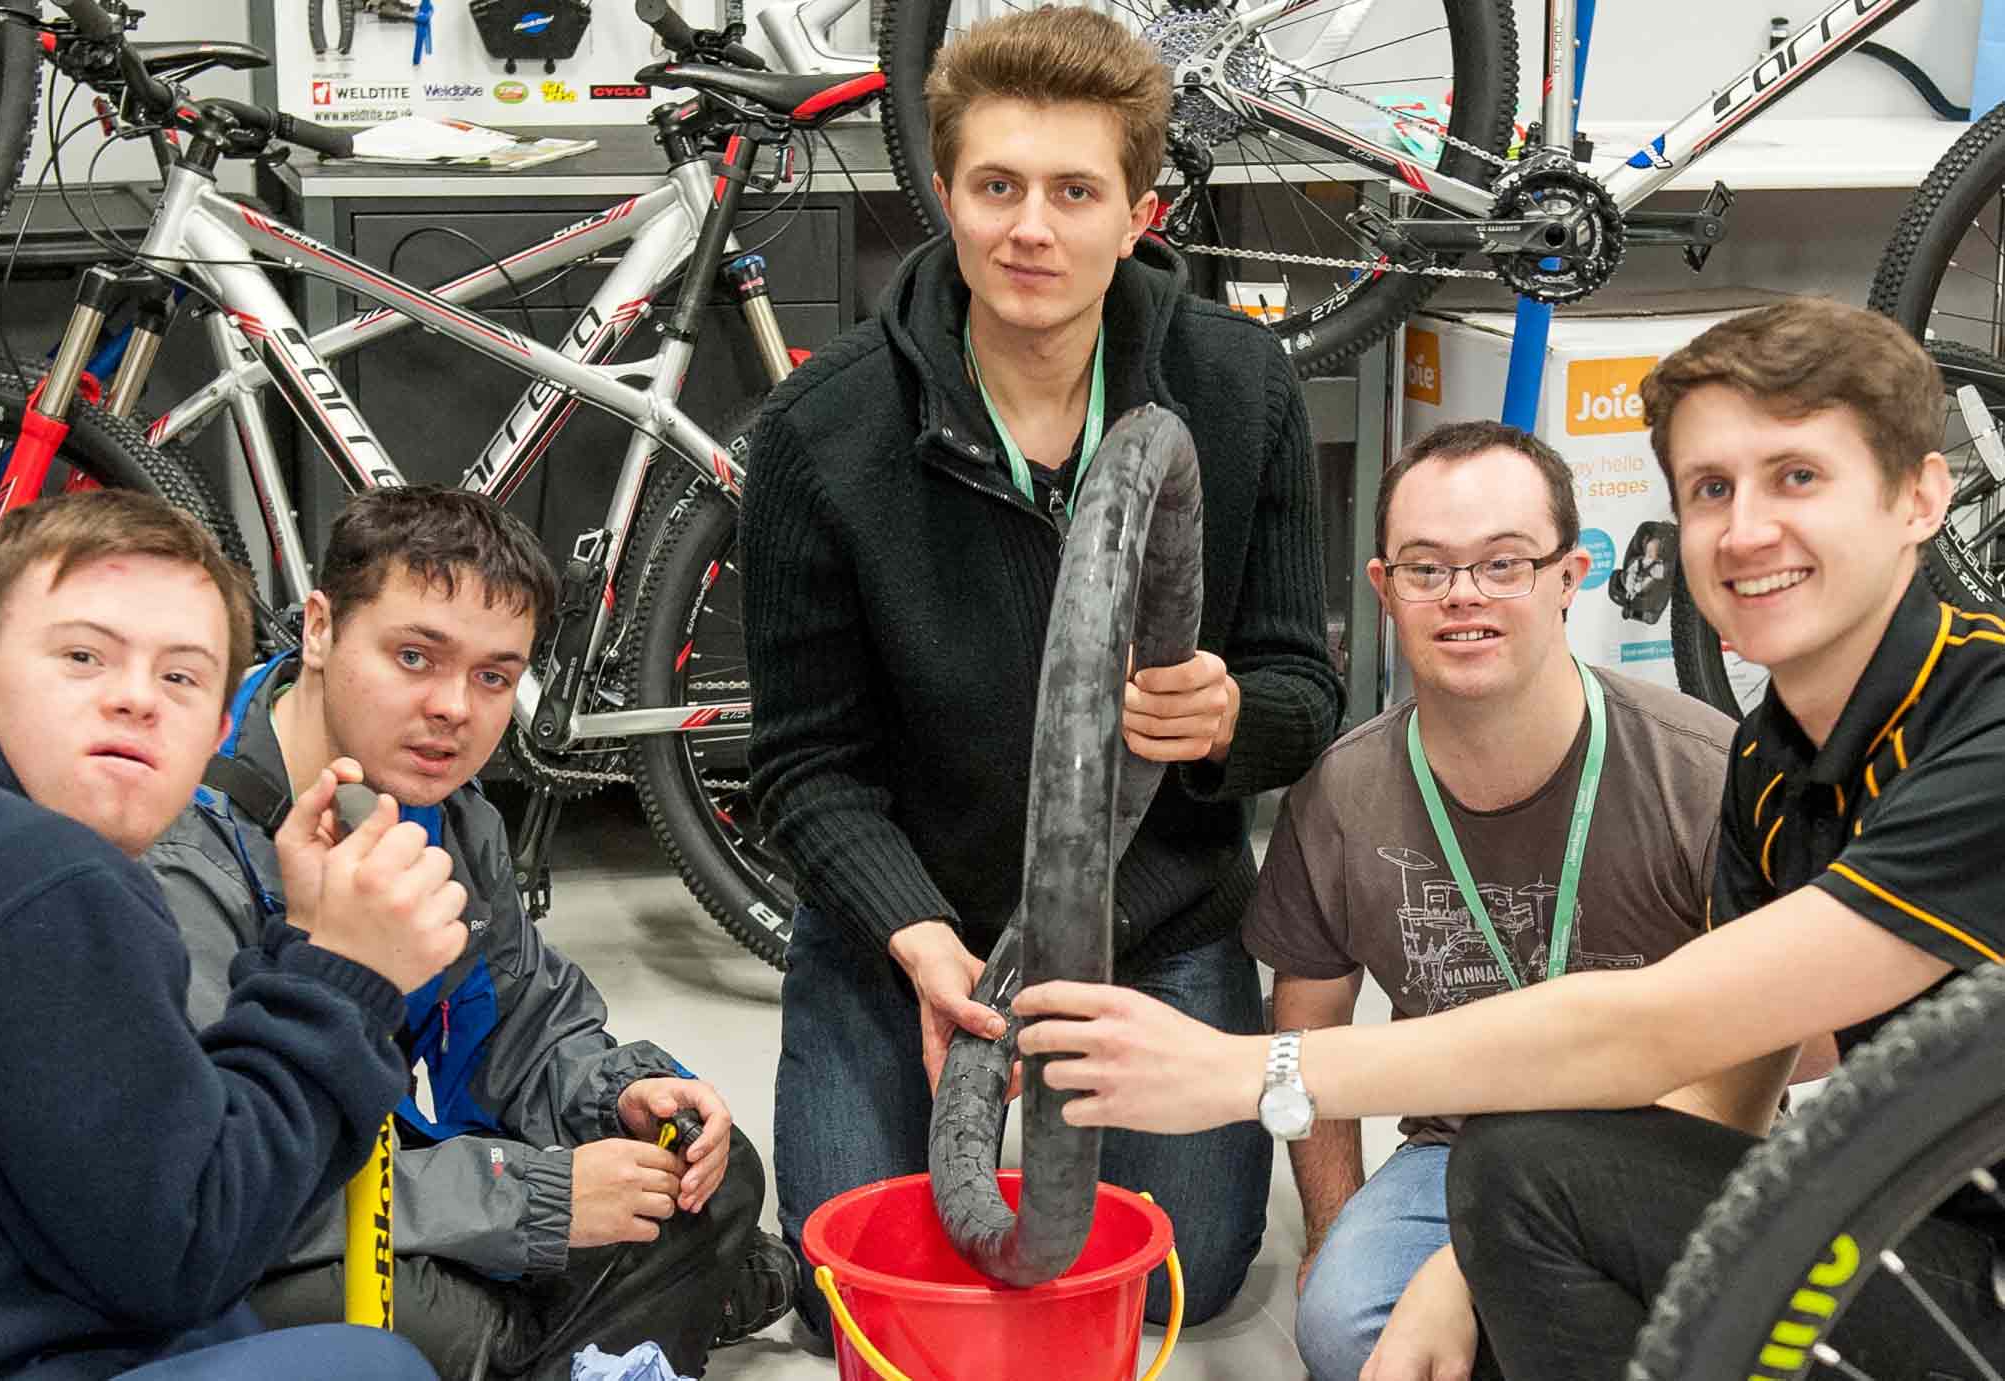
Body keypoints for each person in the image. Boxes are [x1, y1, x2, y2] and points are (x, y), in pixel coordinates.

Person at [1011, 296, 2005, 1377]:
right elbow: (1736, 1065)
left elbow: (1661, 1026)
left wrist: (1248, 1070)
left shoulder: (1978, 720)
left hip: (1963, 1258)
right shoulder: (1773, 761)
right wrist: (1458, 1259)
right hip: (1924, 1205)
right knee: (1500, 1190)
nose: (1747, 528)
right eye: (1712, 489)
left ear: (1919, 496)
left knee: (1520, 1174)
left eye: (1797, 477)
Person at [741, 4, 1344, 1335]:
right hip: (908, 930)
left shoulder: (1238, 389)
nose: (1030, 228)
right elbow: (798, 766)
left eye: (1074, 190)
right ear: (942, 196)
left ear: (1136, 210)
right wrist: (917, 945)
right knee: (860, 1284)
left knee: (1175, 1273)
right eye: (995, 186)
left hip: (1150, 923)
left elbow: (1305, 692)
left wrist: (1231, 714)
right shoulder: (818, 430)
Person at [146, 487, 791, 1380]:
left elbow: (520, 1025)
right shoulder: (182, 852)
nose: (455, 707)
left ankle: (643, 1304)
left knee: (708, 1179)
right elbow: (209, 1196)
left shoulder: (441, 809)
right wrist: (530, 1198)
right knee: (436, 1327)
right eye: (415, 655)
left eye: (494, 675)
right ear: (323, 630)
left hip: (382, 1164)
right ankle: (658, 1307)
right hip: (236, 1229)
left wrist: (622, 1095)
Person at [1243, 420, 1756, 1381]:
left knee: (1700, 1334)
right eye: (1426, 568)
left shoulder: (1703, 773)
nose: (1463, 595)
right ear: (1382, 588)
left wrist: (1494, 1265)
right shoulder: (1341, 795)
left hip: (1662, 1141)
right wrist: (1331, 1229)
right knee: (1350, 1326)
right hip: (1458, 1151)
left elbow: (1766, 1053)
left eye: (1504, 563)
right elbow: (1308, 1029)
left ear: (1571, 575)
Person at [0, 489, 450, 1380]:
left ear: (214, 727)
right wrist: (348, 977)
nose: (136, 698)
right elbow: (186, 1250)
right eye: (83, 656)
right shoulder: (42, 873)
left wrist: (307, 945)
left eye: (179, 675)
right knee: (372, 1368)